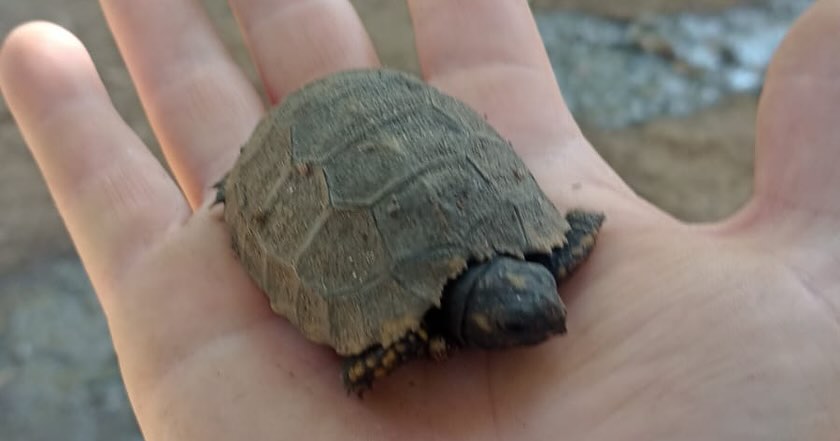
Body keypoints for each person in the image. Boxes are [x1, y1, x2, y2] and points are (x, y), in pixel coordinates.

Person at [1, 0, 837, 439]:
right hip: (300, 153)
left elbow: (563, 241)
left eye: (534, 306)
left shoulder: (540, 254)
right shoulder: (408, 324)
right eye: (527, 312)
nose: (544, 320)